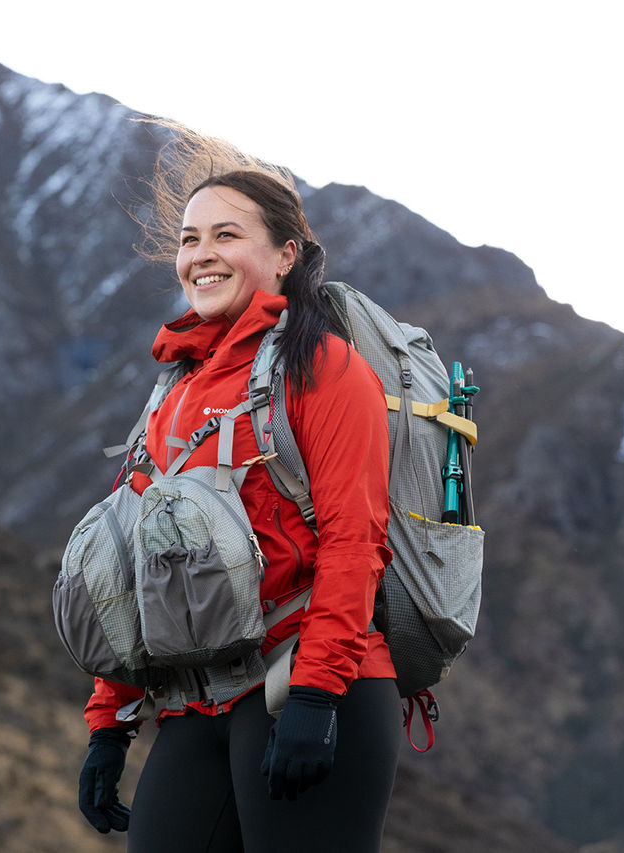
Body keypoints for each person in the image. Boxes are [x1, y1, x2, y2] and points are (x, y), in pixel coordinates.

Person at [76, 129, 400, 852]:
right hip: (195, 701)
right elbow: (138, 571)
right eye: (190, 240)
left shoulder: (323, 368)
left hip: (308, 683)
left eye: (227, 235)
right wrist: (109, 724)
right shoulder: (171, 394)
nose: (202, 254)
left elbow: (355, 540)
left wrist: (315, 694)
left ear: (286, 255)